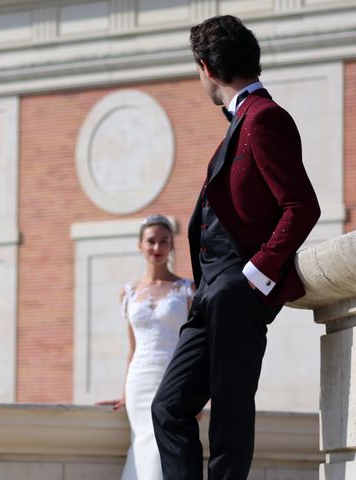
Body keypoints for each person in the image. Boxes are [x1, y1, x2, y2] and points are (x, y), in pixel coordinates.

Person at [150, 15, 321, 480]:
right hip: (210, 296)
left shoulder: (266, 118)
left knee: (229, 417)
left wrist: (254, 278)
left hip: (237, 290)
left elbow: (301, 206)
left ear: (205, 68)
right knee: (168, 408)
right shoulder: (241, 121)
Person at [98, 214, 194, 480]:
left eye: (164, 242)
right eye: (151, 241)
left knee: (160, 443)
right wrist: (124, 391)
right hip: (139, 380)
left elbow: (196, 346)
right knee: (143, 442)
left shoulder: (187, 290)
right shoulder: (127, 292)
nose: (157, 248)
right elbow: (132, 348)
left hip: (173, 377)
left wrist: (198, 396)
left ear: (172, 246)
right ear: (140, 245)